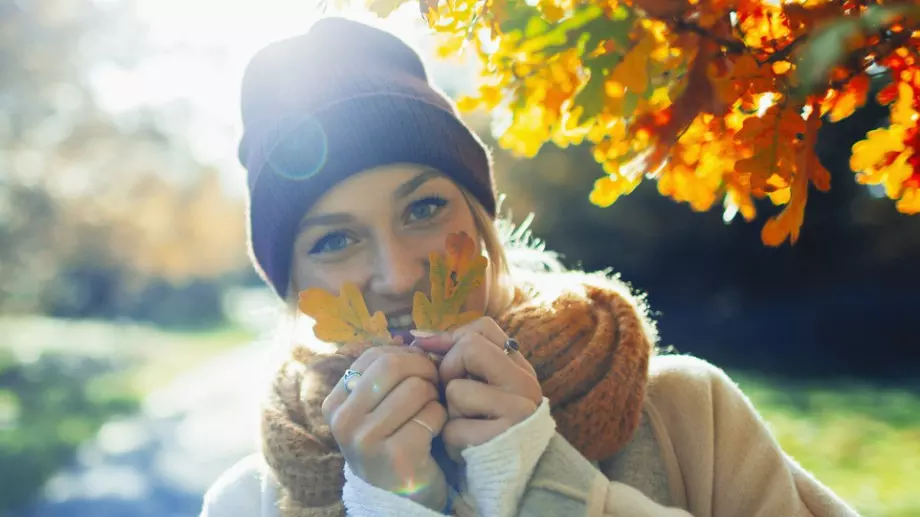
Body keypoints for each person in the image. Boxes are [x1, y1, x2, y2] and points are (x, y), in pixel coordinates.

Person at [200, 15, 860, 517]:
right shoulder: (245, 501)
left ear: (484, 224)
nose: (398, 275)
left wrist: (546, 478)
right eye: (333, 242)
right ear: (292, 287)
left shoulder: (689, 416)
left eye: (425, 207)